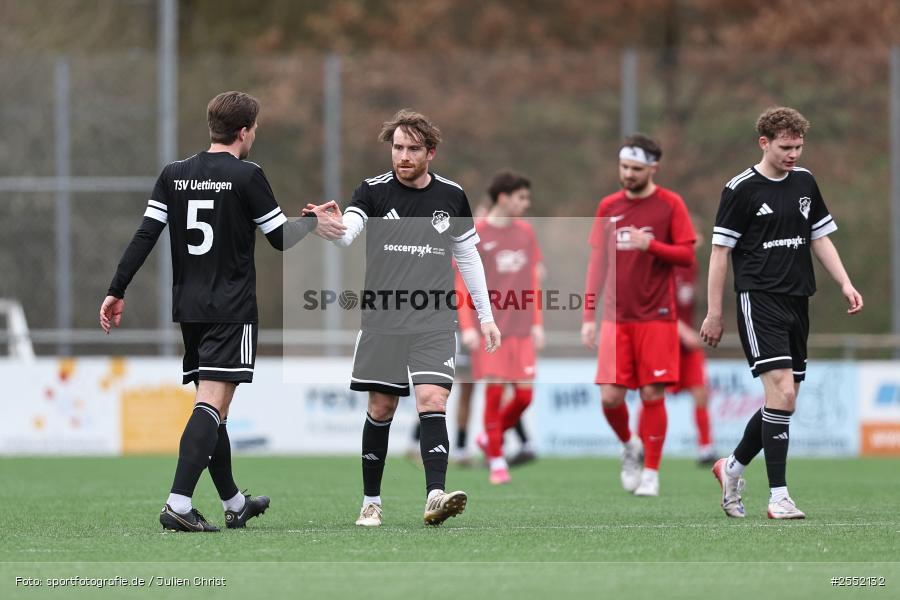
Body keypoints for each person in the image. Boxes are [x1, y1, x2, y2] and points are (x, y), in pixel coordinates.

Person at [99, 91, 345, 532]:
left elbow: (145, 234)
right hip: (231, 309)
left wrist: (117, 289)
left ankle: (234, 503)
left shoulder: (174, 174)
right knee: (212, 403)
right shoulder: (248, 175)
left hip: (189, 308)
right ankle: (177, 503)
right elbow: (280, 238)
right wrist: (312, 221)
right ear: (244, 131)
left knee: (218, 409)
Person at [321, 109, 500, 527]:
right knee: (381, 408)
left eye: (412, 149)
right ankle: (371, 501)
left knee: (432, 400)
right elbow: (348, 232)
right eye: (397, 147)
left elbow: (468, 257)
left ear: (430, 152)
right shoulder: (371, 191)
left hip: (435, 320)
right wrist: (327, 227)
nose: (402, 156)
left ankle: (435, 495)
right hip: (383, 321)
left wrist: (486, 315)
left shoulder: (452, 196)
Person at [701, 107, 863, 519]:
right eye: (785, 147)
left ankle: (732, 467)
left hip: (797, 300)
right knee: (783, 394)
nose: (793, 154)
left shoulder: (805, 182)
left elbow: (820, 237)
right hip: (758, 299)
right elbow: (720, 252)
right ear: (765, 143)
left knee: (784, 404)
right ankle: (779, 497)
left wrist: (844, 282)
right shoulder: (740, 189)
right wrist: (713, 312)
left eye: (798, 147)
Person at [581, 134, 696, 497]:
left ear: (652, 169)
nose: (628, 174)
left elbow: (687, 256)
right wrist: (588, 316)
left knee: (651, 393)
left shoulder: (670, 205)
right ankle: (631, 445)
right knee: (611, 398)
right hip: (616, 318)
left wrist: (652, 245)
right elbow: (597, 263)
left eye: (635, 168)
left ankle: (651, 472)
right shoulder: (608, 206)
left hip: (658, 317)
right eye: (624, 167)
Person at [460, 171, 544, 485]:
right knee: (494, 394)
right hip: (491, 329)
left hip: (522, 330)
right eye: (521, 197)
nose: (526, 203)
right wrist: (468, 326)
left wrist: (537, 322)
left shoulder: (525, 233)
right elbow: (461, 283)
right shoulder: (476, 233)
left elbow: (533, 279)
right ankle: (496, 459)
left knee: (524, 398)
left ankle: (489, 438)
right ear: (503, 198)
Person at [666, 221, 715, 465]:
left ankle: (706, 449)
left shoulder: (691, 266)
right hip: (665, 341)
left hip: (687, 346)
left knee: (700, 392)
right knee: (653, 393)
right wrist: (682, 330)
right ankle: (640, 446)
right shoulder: (666, 266)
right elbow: (658, 305)